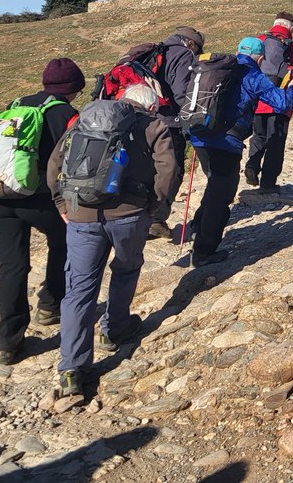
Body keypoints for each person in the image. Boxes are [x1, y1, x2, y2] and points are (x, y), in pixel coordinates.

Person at [48, 83, 178, 396]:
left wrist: (61, 204)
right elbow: (168, 169)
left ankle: (71, 369)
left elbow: (55, 165)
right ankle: (114, 329)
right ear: (150, 107)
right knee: (126, 269)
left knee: (79, 289)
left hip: (81, 215)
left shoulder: (85, 120)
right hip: (130, 217)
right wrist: (154, 208)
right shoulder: (153, 125)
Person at [0, 58, 85, 365]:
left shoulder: (15, 106)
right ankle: (50, 304)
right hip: (40, 197)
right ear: (73, 88)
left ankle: (9, 342)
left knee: (12, 267)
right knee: (64, 242)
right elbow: (74, 159)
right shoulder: (67, 114)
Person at [188, 37, 293, 265]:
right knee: (222, 194)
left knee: (214, 183)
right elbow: (283, 104)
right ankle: (204, 251)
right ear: (259, 57)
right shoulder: (253, 75)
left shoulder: (219, 68)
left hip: (200, 136)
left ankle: (196, 228)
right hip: (226, 141)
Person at [148, 26, 204, 240]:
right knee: (173, 169)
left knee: (149, 168)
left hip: (146, 119)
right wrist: (191, 119)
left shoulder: (157, 50)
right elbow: (182, 92)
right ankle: (155, 219)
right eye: (197, 50)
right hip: (170, 122)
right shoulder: (183, 54)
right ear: (191, 43)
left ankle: (140, 216)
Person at [243, 12, 293, 195]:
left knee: (259, 135)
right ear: (291, 27)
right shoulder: (292, 47)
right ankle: (268, 184)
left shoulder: (259, 41)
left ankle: (252, 166)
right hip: (281, 102)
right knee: (276, 142)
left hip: (257, 101)